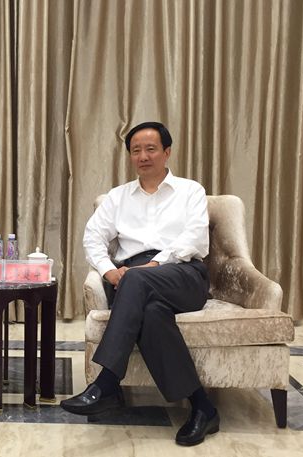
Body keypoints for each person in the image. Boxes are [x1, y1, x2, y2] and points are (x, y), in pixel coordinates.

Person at [60, 122, 219, 446]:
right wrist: (108, 271)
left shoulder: (190, 191)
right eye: (136, 150)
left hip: (182, 274)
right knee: (152, 313)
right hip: (130, 279)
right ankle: (203, 407)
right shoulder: (117, 197)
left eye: (150, 149)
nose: (143, 156)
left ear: (166, 152)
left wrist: (155, 264)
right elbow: (92, 237)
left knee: (136, 279)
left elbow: (194, 238)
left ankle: (107, 382)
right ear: (130, 156)